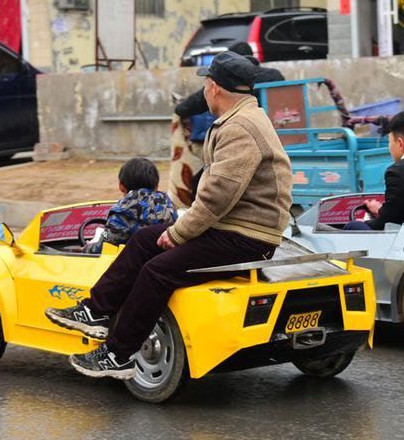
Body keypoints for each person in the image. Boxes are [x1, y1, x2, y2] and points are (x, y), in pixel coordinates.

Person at [46, 51, 293, 379]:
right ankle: (95, 311)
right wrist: (178, 226)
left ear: (214, 87)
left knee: (157, 271)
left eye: (206, 84)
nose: (204, 90)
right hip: (234, 228)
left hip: (247, 237)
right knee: (144, 239)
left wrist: (178, 232)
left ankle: (119, 355)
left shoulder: (242, 127)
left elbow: (216, 198)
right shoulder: (241, 119)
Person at [170, 41, 286, 206]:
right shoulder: (274, 76)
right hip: (278, 136)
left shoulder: (236, 126)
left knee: (201, 184)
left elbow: (217, 195)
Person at [82, 157, 177, 254]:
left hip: (134, 264)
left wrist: (87, 248)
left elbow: (102, 247)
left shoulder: (122, 213)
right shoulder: (169, 206)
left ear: (121, 186)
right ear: (157, 185)